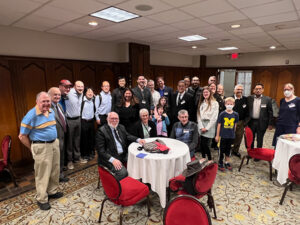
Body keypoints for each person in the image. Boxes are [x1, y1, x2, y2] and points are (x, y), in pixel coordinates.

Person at [19, 92, 63, 210]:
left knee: (55, 169)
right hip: (41, 147)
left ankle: (52, 191)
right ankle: (42, 199)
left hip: (54, 144)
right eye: (43, 101)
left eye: (48, 101)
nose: (46, 104)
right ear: (37, 102)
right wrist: (32, 148)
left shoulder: (51, 111)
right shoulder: (31, 115)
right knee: (42, 174)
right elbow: (22, 136)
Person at [95, 112, 145, 180]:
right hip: (109, 158)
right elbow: (101, 151)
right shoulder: (101, 131)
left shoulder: (121, 127)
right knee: (123, 173)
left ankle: (134, 181)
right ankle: (112, 187)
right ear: (107, 119)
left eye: (116, 119)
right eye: (112, 118)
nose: (115, 120)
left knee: (139, 160)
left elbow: (128, 136)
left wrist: (138, 139)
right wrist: (113, 160)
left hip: (122, 155)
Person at [48, 87, 69, 182]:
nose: (57, 96)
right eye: (55, 94)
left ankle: (60, 174)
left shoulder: (59, 106)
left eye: (59, 95)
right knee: (55, 160)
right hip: (54, 139)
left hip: (62, 136)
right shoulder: (48, 108)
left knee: (60, 157)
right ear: (49, 96)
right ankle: (56, 177)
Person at [215, 97, 239, 171]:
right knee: (221, 150)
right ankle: (220, 162)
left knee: (228, 150)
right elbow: (219, 125)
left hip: (231, 136)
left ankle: (227, 162)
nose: (229, 105)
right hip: (223, 136)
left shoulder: (236, 114)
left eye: (231, 104)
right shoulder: (222, 114)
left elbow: (235, 125)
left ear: (233, 105)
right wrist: (217, 135)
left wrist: (233, 133)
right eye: (228, 104)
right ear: (225, 104)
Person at [65, 80, 84, 170]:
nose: (80, 88)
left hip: (78, 119)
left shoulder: (81, 93)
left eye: (82, 87)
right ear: (74, 87)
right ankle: (69, 161)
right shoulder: (68, 93)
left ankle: (77, 158)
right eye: (78, 86)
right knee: (70, 141)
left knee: (77, 139)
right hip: (69, 120)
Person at [247, 83, 273, 148]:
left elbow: (270, 112)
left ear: (262, 90)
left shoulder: (267, 99)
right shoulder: (249, 98)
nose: (258, 90)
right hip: (251, 122)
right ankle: (251, 153)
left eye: (260, 89)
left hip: (262, 122)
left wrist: (270, 123)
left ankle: (258, 154)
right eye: (256, 89)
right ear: (254, 90)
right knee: (251, 138)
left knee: (260, 139)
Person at [197, 86, 219, 160]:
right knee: (201, 144)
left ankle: (209, 159)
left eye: (207, 92)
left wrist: (206, 128)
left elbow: (214, 118)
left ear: (210, 93)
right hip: (202, 124)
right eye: (204, 92)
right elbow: (199, 115)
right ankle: (203, 157)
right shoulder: (202, 103)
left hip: (209, 125)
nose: (205, 93)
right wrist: (201, 126)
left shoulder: (215, 103)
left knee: (205, 144)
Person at [231, 84, 249, 158]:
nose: (239, 91)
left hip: (241, 122)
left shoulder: (245, 99)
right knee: (230, 136)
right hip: (230, 122)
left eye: (241, 90)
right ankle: (228, 150)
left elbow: (248, 111)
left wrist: (245, 122)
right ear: (234, 90)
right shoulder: (230, 98)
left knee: (238, 137)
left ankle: (235, 150)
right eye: (238, 89)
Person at [80, 87, 96, 160]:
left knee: (91, 138)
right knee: (84, 139)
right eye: (88, 92)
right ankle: (84, 154)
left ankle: (91, 152)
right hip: (83, 121)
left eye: (91, 92)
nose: (90, 93)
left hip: (91, 121)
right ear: (85, 93)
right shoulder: (82, 101)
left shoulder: (94, 100)